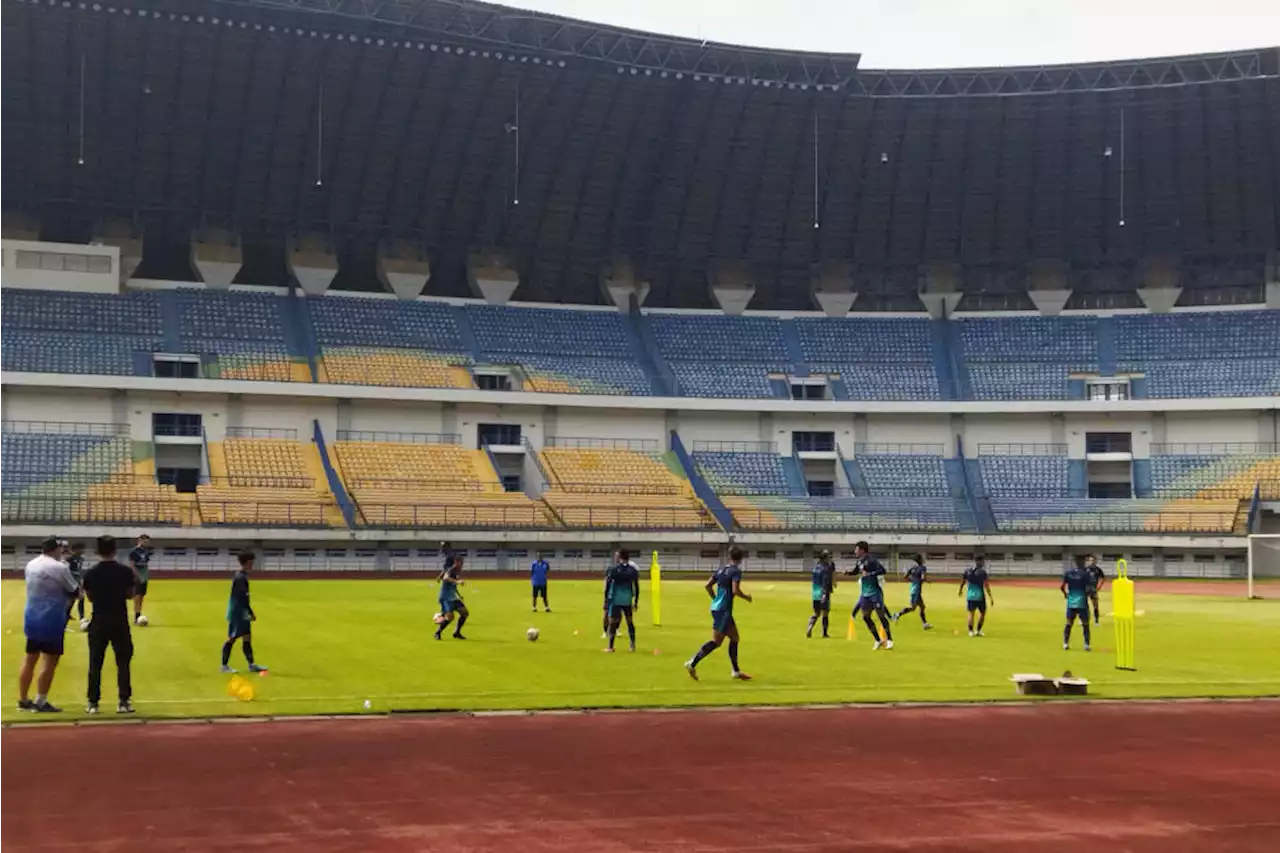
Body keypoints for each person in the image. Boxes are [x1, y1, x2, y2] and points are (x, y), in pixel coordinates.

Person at [17, 538, 77, 713]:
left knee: (30, 658)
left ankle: (23, 699)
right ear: (56, 549)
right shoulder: (60, 567)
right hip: (52, 618)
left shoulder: (31, 564)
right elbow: (74, 591)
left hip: (32, 616)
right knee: (50, 661)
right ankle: (41, 700)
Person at [82, 535, 137, 714]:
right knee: (123, 661)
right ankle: (123, 701)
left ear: (98, 551)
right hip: (119, 620)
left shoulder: (91, 572)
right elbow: (130, 594)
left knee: (95, 662)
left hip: (99, 619)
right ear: (115, 551)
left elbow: (89, 597)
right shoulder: (124, 572)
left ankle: (93, 703)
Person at [684, 546, 753, 681]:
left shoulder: (721, 570)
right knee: (716, 641)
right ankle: (692, 663)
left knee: (735, 638)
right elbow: (735, 590)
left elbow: (708, 585)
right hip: (724, 610)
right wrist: (746, 597)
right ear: (741, 559)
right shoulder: (736, 571)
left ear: (730, 557)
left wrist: (715, 599)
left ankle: (736, 671)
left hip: (717, 608)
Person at [222, 551, 268, 674]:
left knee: (247, 636)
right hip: (238, 612)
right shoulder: (241, 578)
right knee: (233, 637)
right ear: (248, 563)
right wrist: (250, 612)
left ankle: (251, 664)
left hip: (241, 611)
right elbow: (242, 598)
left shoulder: (242, 576)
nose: (253, 565)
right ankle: (224, 665)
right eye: (252, 562)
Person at [846, 541, 894, 650]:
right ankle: (878, 640)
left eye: (856, 549)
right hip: (865, 593)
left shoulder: (872, 560)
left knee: (881, 616)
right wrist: (848, 573)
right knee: (865, 617)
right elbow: (856, 571)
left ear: (862, 550)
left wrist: (870, 574)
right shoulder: (859, 561)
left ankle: (890, 640)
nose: (855, 551)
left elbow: (883, 570)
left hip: (874, 592)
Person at [893, 554, 933, 630]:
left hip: (913, 589)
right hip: (917, 590)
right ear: (920, 559)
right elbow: (923, 578)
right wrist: (928, 581)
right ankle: (897, 614)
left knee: (922, 607)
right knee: (913, 608)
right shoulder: (922, 568)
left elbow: (905, 576)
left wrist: (912, 580)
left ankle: (925, 624)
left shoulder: (913, 568)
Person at [1062, 555, 1093, 651]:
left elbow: (1062, 587)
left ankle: (1066, 643)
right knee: (1085, 624)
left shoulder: (1068, 573)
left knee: (1069, 623)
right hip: (1082, 602)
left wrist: (1066, 594)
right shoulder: (1085, 574)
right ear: (1083, 562)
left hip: (1071, 602)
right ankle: (1086, 645)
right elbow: (1089, 588)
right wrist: (1087, 595)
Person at [434, 553, 468, 640]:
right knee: (450, 617)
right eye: (461, 562)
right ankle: (437, 633)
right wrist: (458, 581)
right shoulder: (451, 570)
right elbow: (445, 578)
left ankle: (457, 633)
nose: (462, 564)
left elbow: (453, 585)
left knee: (464, 613)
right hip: (445, 598)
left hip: (453, 597)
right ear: (456, 562)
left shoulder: (456, 571)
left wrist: (459, 595)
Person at [959, 554, 994, 637]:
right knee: (982, 613)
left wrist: (960, 590)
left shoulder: (967, 571)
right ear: (979, 561)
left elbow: (963, 581)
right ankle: (978, 630)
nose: (983, 563)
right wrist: (990, 597)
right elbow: (986, 585)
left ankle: (970, 631)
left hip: (970, 595)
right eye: (982, 561)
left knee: (971, 614)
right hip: (980, 596)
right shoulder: (982, 572)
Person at [806, 550, 836, 639]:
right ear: (825, 558)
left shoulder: (816, 568)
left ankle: (810, 626)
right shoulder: (825, 569)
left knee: (816, 613)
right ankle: (825, 633)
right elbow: (825, 582)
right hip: (823, 592)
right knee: (825, 613)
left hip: (815, 592)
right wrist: (824, 594)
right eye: (828, 557)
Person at [128, 534, 153, 626]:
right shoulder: (134, 551)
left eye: (147, 541)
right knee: (137, 597)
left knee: (141, 596)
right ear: (140, 540)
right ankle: (136, 616)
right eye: (145, 541)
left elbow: (145, 564)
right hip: (136, 576)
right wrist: (137, 576)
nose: (146, 543)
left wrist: (146, 575)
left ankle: (139, 615)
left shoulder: (146, 551)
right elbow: (132, 565)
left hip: (144, 576)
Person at [66, 542, 88, 632]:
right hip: (71, 582)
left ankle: (82, 617)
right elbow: (67, 572)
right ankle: (64, 621)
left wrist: (80, 582)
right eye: (81, 549)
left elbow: (79, 572)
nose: (83, 551)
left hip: (77, 582)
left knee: (81, 598)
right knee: (70, 601)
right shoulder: (69, 559)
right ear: (75, 550)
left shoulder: (81, 559)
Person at [1085, 554, 1106, 625]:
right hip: (1086, 589)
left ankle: (1096, 621)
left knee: (1096, 605)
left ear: (1095, 561)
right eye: (1090, 560)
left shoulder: (1098, 569)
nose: (1091, 561)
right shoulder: (1086, 569)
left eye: (1093, 560)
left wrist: (1099, 586)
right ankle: (1084, 619)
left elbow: (1103, 578)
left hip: (1094, 590)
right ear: (1088, 561)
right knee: (1084, 605)